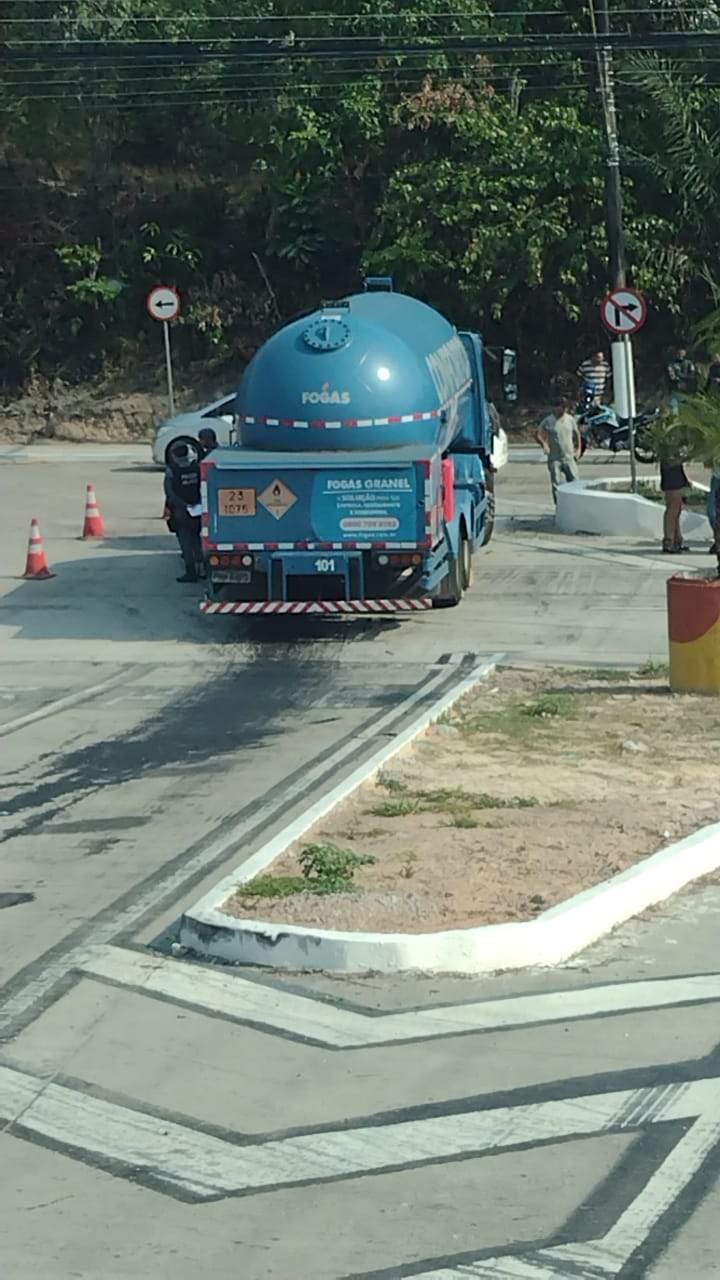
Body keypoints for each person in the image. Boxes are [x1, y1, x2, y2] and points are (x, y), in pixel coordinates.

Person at [164, 440, 203, 582]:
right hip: (198, 511)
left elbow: (169, 493)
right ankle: (202, 570)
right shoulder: (197, 468)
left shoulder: (172, 471)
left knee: (185, 544)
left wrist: (182, 505)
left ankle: (191, 572)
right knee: (197, 541)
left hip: (181, 513)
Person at [535, 399, 581, 504]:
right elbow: (538, 433)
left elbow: (577, 433)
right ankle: (559, 505)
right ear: (556, 408)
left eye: (565, 408)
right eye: (561, 407)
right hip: (555, 457)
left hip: (569, 457)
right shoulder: (549, 420)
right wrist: (544, 444)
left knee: (575, 482)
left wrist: (578, 449)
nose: (563, 410)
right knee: (556, 483)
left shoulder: (570, 419)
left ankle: (575, 503)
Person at [660, 457, 691, 554]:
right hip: (673, 478)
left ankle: (676, 539)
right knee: (673, 510)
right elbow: (672, 460)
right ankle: (669, 540)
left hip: (675, 476)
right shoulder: (669, 449)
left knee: (676, 510)